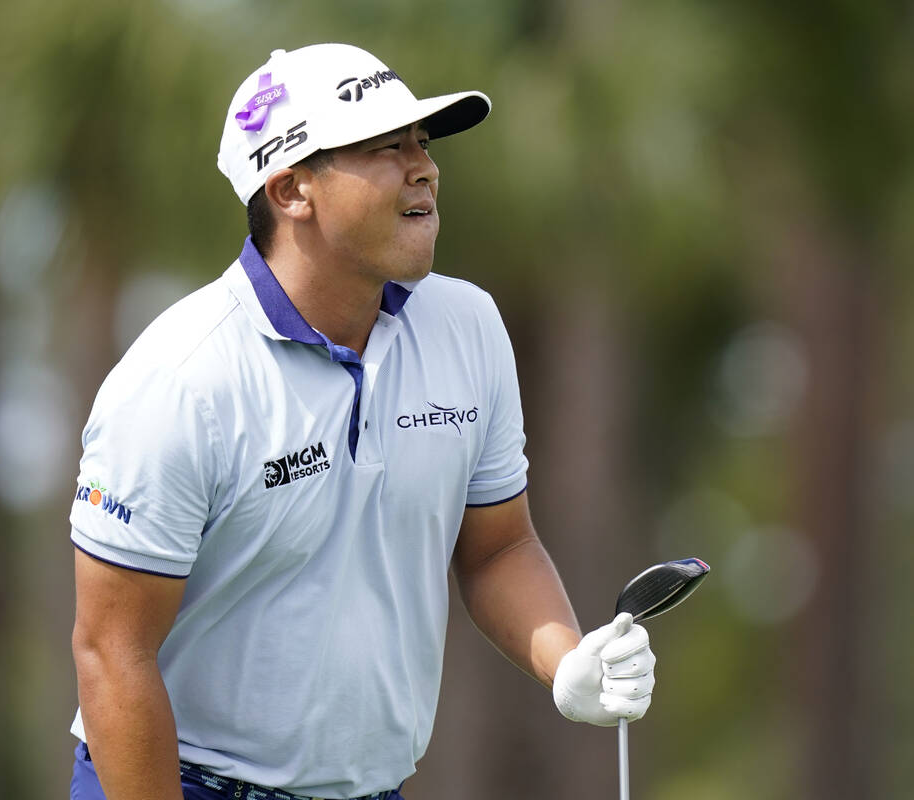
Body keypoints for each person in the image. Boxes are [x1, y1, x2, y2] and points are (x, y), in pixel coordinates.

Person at [68, 43, 657, 800]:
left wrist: (566, 660)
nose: (425, 168)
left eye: (423, 143)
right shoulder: (183, 380)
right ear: (290, 190)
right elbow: (112, 653)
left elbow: (496, 548)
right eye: (386, 147)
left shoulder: (467, 326)